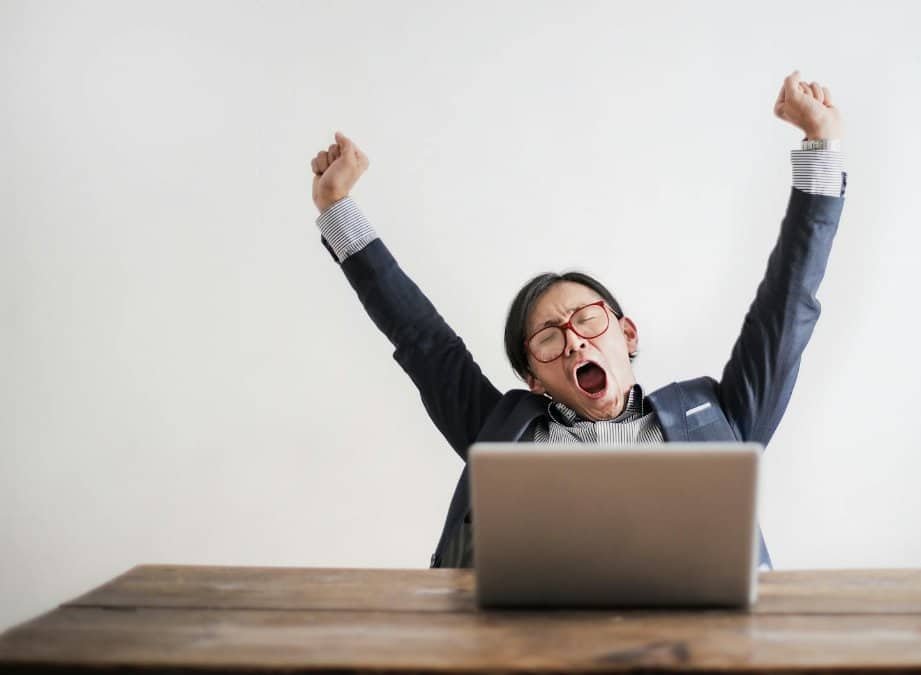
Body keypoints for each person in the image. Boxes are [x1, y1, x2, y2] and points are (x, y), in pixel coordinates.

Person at [308, 70, 846, 569]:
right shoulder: (501, 436)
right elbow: (423, 341)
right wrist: (337, 207)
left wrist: (820, 148)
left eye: (586, 320)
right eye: (546, 337)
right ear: (532, 378)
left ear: (626, 333)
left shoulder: (719, 417)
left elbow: (787, 306)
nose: (571, 342)